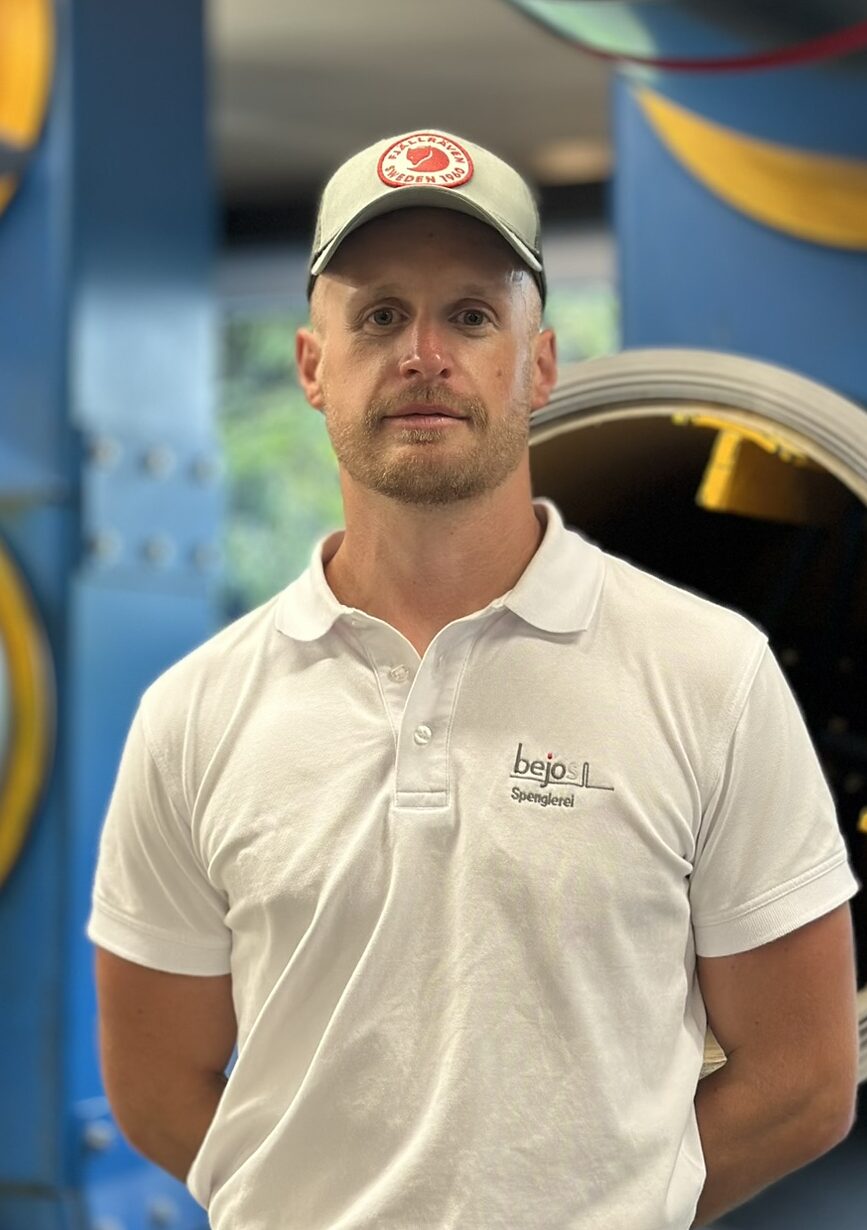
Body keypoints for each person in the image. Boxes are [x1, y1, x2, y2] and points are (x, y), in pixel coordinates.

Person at [86, 129, 861, 1230]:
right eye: (378, 316)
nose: (423, 355)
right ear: (311, 367)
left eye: (470, 316)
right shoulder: (195, 713)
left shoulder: (707, 674)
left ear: (537, 366)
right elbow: (156, 1083)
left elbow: (804, 1079)